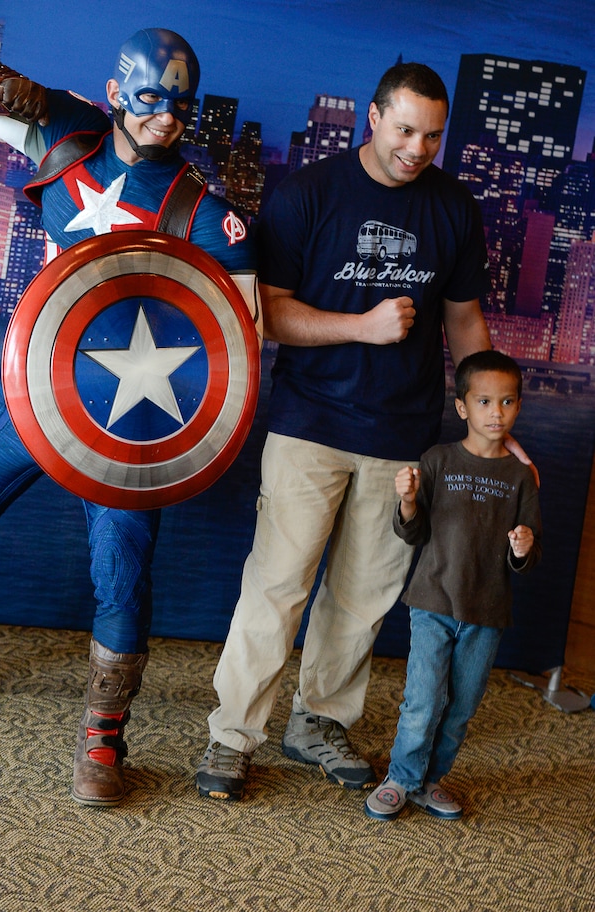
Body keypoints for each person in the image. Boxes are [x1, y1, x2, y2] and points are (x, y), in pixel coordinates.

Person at [0, 28, 258, 809]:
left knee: (121, 580)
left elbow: (240, 341)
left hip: (133, 419)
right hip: (36, 384)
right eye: (153, 97)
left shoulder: (202, 212)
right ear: (119, 89)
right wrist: (8, 87)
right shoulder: (66, 130)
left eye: (182, 105)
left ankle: (104, 734)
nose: (167, 117)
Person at [196, 62, 534, 802]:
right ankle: (233, 736)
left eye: (433, 136)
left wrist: (489, 418)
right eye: (406, 129)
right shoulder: (309, 192)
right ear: (374, 118)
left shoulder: (454, 207)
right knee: (277, 585)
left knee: (363, 594)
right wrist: (364, 326)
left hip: (404, 433)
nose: (417, 148)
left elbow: (465, 320)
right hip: (309, 421)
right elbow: (269, 314)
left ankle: (317, 722)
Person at [364, 350, 541, 821]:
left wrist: (523, 547)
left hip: (488, 612)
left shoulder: (521, 478)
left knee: (460, 707)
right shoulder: (438, 460)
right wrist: (405, 501)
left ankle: (429, 781)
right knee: (422, 699)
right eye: (484, 401)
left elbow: (528, 553)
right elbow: (413, 532)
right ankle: (401, 778)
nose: (495, 412)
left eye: (506, 402)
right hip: (432, 601)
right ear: (462, 407)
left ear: (518, 407)